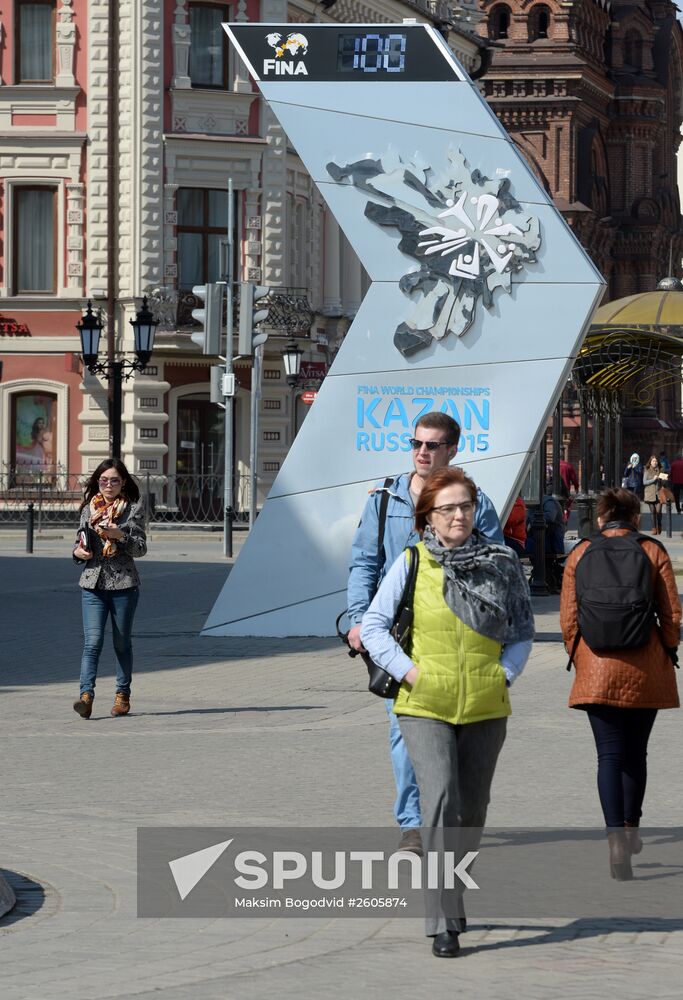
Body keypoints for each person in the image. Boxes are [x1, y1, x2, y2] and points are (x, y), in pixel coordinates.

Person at [361, 467, 534, 957]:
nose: (458, 515)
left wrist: (504, 676)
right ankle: (441, 923)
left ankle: (453, 893)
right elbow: (374, 626)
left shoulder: (502, 562)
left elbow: (521, 632)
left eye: (465, 506)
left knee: (472, 811)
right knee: (438, 803)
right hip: (424, 705)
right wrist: (412, 674)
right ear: (428, 516)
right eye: (447, 508)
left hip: (485, 703)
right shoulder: (413, 561)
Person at [347, 413, 504, 853]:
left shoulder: (476, 503)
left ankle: (446, 813)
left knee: (456, 731)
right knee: (404, 729)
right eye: (416, 443)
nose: (422, 452)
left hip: (457, 637)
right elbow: (364, 562)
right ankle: (413, 825)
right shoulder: (384, 500)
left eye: (432, 445)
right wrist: (359, 618)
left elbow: (495, 566)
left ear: (452, 450)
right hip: (398, 636)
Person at [560, 488, 680, 880]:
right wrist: (668, 646)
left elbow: (568, 616)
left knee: (608, 756)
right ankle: (630, 829)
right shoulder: (652, 551)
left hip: (596, 665)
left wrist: (579, 654)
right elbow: (671, 614)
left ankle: (614, 840)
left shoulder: (580, 553)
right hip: (644, 666)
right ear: (635, 518)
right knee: (636, 753)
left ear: (600, 519)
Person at [72, 459, 147, 719]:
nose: (109, 485)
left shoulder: (132, 510)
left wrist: (120, 536)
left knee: (121, 643)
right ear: (97, 481)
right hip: (92, 584)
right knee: (92, 643)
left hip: (123, 585)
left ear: (123, 482)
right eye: (104, 480)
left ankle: (122, 695)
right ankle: (86, 696)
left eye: (115, 480)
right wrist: (78, 552)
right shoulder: (88, 508)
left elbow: (141, 548)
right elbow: (79, 543)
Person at [642, 454, 664, 535]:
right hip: (649, 494)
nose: (655, 462)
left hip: (658, 494)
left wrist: (664, 479)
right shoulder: (647, 470)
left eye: (656, 461)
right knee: (653, 512)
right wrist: (653, 479)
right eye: (653, 461)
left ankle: (659, 524)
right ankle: (654, 528)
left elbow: (662, 483)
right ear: (650, 462)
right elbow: (644, 482)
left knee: (658, 512)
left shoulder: (660, 470)